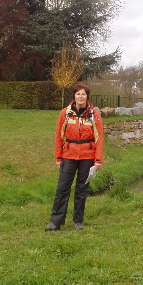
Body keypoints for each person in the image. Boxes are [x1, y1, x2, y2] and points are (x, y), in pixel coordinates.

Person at [45, 82, 104, 231]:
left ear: (87, 97)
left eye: (83, 94)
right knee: (62, 188)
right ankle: (56, 221)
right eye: (78, 94)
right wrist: (58, 158)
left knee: (81, 190)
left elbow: (99, 138)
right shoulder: (65, 113)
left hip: (87, 156)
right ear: (74, 96)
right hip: (69, 155)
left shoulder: (94, 114)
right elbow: (59, 136)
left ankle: (78, 221)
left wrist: (98, 160)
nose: (81, 96)